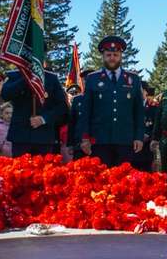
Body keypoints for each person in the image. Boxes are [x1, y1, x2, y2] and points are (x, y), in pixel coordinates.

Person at [79, 36, 144, 168]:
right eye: (108, 55)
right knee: (100, 180)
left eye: (115, 54)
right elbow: (86, 111)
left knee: (122, 181)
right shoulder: (93, 79)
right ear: (103, 56)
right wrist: (85, 137)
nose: (112, 58)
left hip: (124, 138)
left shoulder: (133, 79)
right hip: (99, 139)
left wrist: (139, 136)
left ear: (121, 56)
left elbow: (138, 111)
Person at [1, 58, 68, 158]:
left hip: (43, 135)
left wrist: (43, 119)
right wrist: (27, 79)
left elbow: (62, 105)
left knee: (43, 172)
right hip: (20, 135)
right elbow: (5, 94)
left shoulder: (51, 78)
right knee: (20, 172)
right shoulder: (15, 75)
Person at [66, 69, 93, 162]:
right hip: (79, 143)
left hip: (98, 143)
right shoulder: (78, 100)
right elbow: (72, 123)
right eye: (85, 82)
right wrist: (70, 144)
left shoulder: (104, 99)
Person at [133, 82, 158, 173]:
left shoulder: (154, 108)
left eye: (141, 90)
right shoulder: (130, 108)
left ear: (146, 92)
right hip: (132, 150)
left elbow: (157, 125)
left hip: (147, 149)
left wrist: (149, 136)